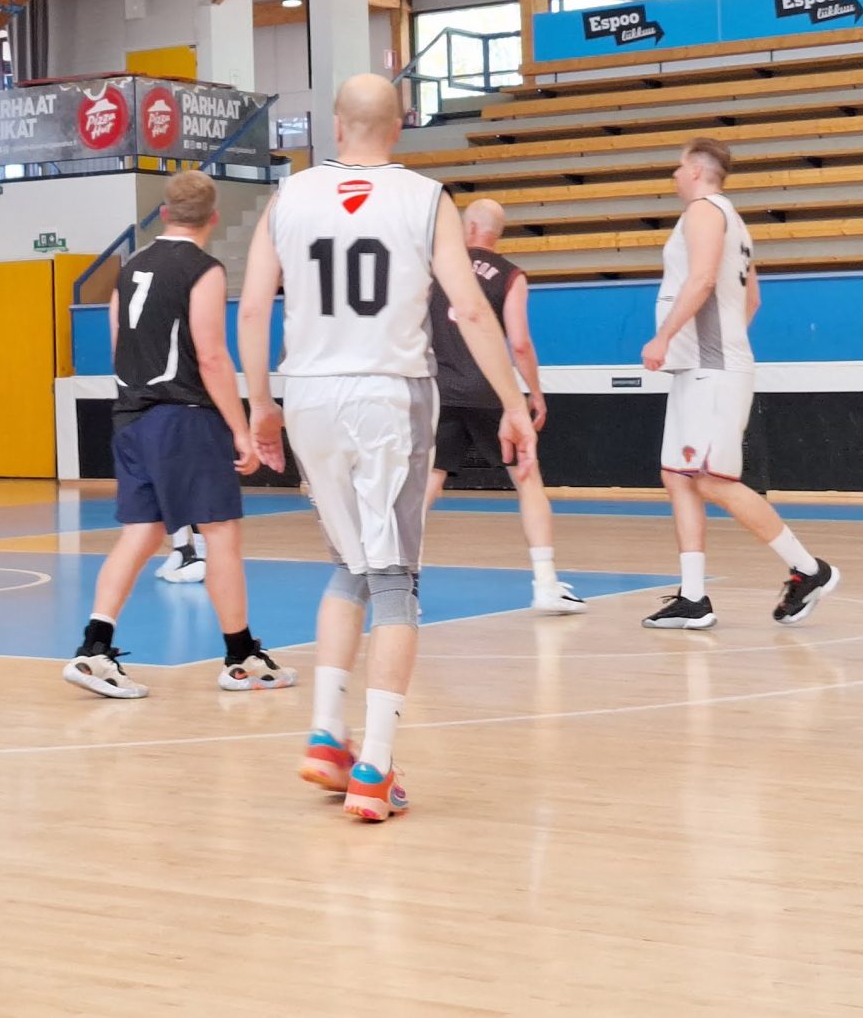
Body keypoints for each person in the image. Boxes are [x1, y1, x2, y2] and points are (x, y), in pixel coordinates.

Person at [240, 74, 537, 824]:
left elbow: (252, 307)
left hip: (308, 393)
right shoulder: (427, 197)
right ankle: (373, 766)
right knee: (396, 579)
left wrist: (260, 406)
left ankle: (326, 734)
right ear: (400, 127)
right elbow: (470, 311)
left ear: (336, 126)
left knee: (350, 563)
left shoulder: (287, 196)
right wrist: (513, 404)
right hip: (389, 395)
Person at [62, 170, 292, 700]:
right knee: (221, 533)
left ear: (164, 213)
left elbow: (119, 342)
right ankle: (240, 658)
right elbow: (211, 355)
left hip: (130, 416)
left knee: (141, 534)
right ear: (214, 218)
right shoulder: (202, 269)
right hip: (183, 417)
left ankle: (94, 647)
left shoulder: (128, 269)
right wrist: (240, 428)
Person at [638, 137, 837, 630]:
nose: (674, 175)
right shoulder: (733, 221)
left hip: (711, 367)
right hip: (704, 365)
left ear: (696, 170)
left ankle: (808, 569)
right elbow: (753, 300)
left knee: (711, 479)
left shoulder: (704, 211)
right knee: (678, 476)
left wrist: (666, 337)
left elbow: (703, 279)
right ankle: (693, 597)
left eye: (678, 166)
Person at [424, 198, 582, 614]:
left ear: (469, 228)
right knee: (528, 480)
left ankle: (401, 586)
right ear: (497, 232)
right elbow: (520, 343)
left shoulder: (438, 269)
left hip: (440, 390)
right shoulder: (511, 275)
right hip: (491, 393)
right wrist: (534, 393)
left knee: (426, 484)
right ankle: (545, 584)